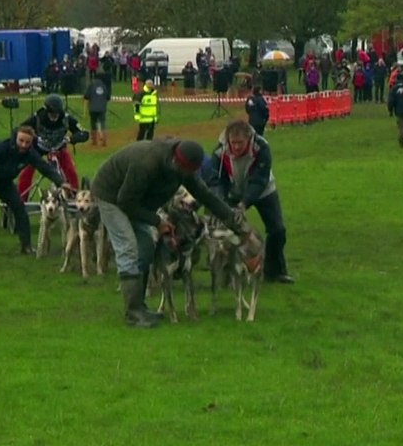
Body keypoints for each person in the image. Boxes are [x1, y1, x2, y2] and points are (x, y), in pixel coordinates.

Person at [90, 138, 255, 328]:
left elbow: (206, 196)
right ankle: (133, 314)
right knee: (128, 248)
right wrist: (157, 221)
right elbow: (125, 202)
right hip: (111, 196)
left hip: (136, 200)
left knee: (145, 247)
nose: (186, 175)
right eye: (184, 171)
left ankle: (140, 307)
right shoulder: (146, 163)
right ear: (176, 162)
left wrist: (237, 226)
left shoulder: (184, 167)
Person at [206, 120, 293, 284]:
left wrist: (244, 204)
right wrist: (222, 203)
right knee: (225, 231)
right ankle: (227, 271)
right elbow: (216, 180)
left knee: (277, 230)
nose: (237, 147)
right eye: (233, 143)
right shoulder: (219, 151)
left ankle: (274, 271)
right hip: (233, 190)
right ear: (228, 140)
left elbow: (259, 179)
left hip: (263, 190)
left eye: (240, 143)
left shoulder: (262, 147)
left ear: (249, 139)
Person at [0, 125, 73, 258]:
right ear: (16, 138)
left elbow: (44, 167)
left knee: (20, 208)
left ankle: (26, 247)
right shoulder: (0, 148)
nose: (24, 145)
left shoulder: (30, 153)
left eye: (27, 142)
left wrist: (61, 182)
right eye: (21, 141)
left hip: (4, 182)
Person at [18, 94, 88, 199]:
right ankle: (21, 200)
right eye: (52, 114)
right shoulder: (37, 117)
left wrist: (71, 139)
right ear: (46, 111)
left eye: (57, 114)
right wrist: (31, 139)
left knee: (71, 171)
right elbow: (21, 129)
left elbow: (84, 133)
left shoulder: (66, 118)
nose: (55, 117)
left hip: (59, 148)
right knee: (26, 173)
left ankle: (74, 197)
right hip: (38, 148)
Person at [83, 76, 111, 148]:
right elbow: (108, 97)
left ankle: (94, 141)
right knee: (103, 124)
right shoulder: (104, 86)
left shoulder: (91, 86)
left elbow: (86, 97)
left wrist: (85, 111)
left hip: (93, 109)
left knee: (93, 124)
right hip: (102, 108)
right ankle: (104, 141)